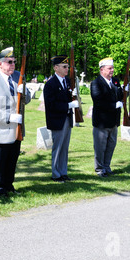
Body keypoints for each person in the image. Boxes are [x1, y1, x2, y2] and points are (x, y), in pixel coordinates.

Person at [0, 47, 31, 199]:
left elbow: (27, 100)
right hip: (0, 128)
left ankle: (9, 185)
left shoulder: (18, 76)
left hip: (16, 129)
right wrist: (10, 117)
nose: (13, 65)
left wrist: (25, 91)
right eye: (9, 62)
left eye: (14, 62)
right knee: (0, 162)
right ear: (0, 64)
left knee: (12, 160)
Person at [43, 55, 79, 183]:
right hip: (57, 120)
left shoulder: (67, 81)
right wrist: (68, 105)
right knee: (58, 148)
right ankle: (56, 173)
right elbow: (51, 105)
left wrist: (73, 97)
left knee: (65, 147)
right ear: (56, 68)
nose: (67, 69)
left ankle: (63, 172)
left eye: (67, 67)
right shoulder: (50, 84)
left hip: (67, 119)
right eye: (64, 67)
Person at [90, 57, 124, 177]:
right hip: (102, 121)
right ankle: (99, 169)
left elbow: (120, 96)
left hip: (113, 120)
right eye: (109, 68)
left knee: (111, 145)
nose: (112, 70)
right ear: (102, 70)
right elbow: (98, 101)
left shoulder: (115, 81)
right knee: (100, 147)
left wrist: (125, 92)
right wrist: (114, 105)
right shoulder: (96, 83)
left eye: (113, 68)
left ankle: (107, 166)